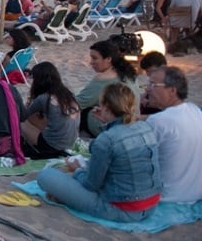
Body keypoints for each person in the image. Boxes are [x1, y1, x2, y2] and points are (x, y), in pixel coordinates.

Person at [38, 83, 161, 222]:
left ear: (106, 108)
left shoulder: (108, 139)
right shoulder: (145, 128)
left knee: (45, 176)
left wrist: (77, 170)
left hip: (121, 209)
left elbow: (90, 184)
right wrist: (106, 123)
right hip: (151, 205)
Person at [144, 67, 202, 203]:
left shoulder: (158, 121)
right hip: (197, 192)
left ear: (172, 90)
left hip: (169, 196)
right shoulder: (194, 110)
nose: (147, 89)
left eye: (153, 85)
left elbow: (137, 159)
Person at [76, 40, 139, 137]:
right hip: (133, 121)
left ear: (108, 59)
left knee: (84, 111)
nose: (91, 63)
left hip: (114, 125)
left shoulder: (104, 78)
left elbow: (79, 103)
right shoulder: (129, 73)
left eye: (95, 58)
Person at [20, 62, 80, 159]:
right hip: (70, 143)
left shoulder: (44, 98)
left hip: (52, 146)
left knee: (22, 123)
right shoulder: (68, 94)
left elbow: (23, 115)